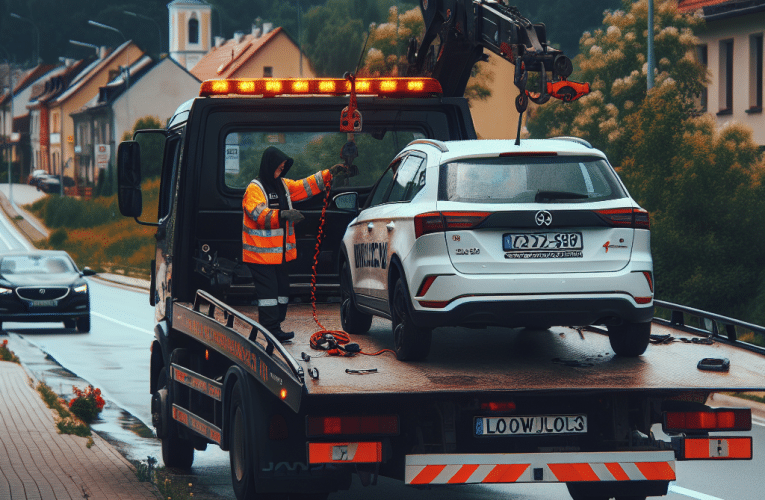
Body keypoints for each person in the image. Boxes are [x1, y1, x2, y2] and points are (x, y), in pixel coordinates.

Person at [243, 146, 348, 341]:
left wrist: (328, 174)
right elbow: (258, 214)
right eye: (279, 166)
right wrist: (282, 215)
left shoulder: (282, 185)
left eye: (283, 167)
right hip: (260, 254)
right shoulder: (254, 189)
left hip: (278, 254)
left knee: (282, 290)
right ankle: (270, 329)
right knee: (269, 294)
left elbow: (303, 186)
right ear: (270, 165)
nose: (281, 170)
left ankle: (275, 325)